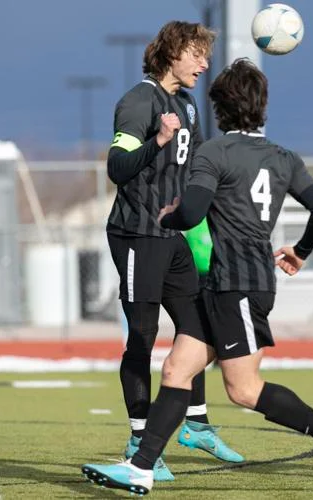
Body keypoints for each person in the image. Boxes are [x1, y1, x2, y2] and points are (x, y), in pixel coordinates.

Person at [82, 58, 313, 494]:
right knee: (176, 369)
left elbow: (192, 210)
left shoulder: (215, 152)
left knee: (244, 390)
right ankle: (141, 466)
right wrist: (301, 251)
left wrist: (172, 216)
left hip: (240, 287)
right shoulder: (285, 158)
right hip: (227, 283)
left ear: (220, 109)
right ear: (261, 107)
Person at [104, 21, 242, 482]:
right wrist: (157, 141)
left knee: (198, 328)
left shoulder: (187, 104)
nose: (204, 64)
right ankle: (139, 440)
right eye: (197, 54)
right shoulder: (138, 102)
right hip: (136, 234)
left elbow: (198, 166)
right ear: (172, 54)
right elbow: (117, 168)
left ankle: (197, 424)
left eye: (206, 55)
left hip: (172, 235)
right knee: (142, 335)